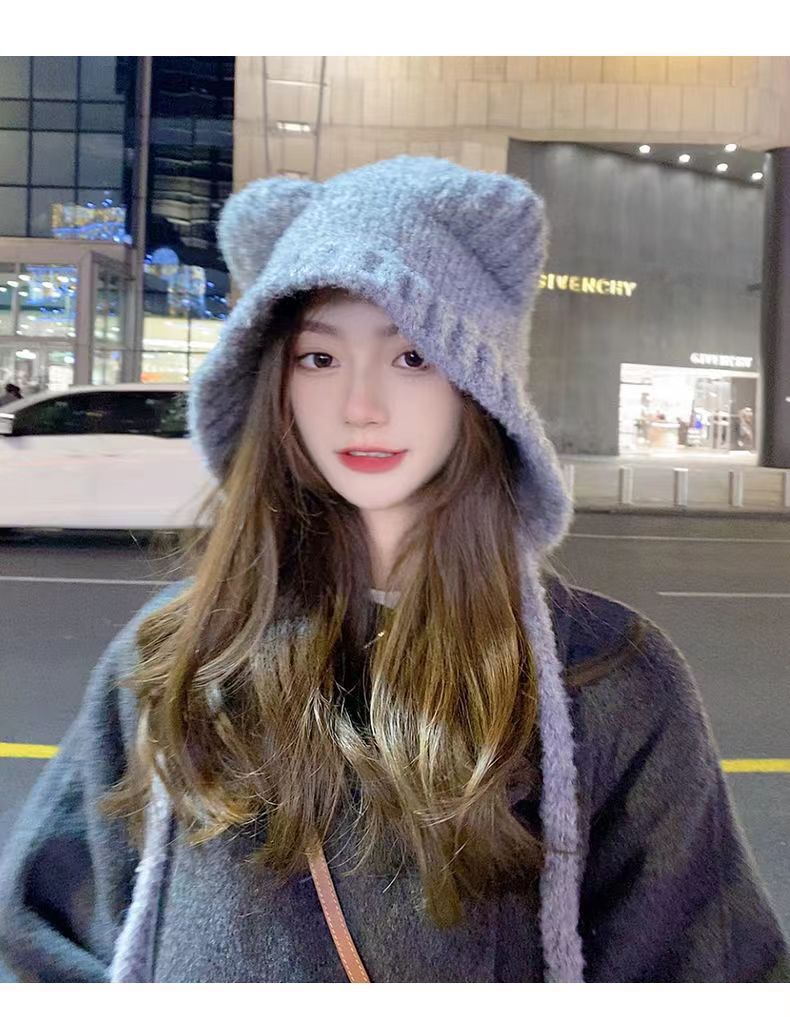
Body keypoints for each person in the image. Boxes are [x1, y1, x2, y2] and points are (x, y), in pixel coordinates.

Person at [0, 156, 787, 984]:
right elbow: (43, 939)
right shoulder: (177, 653)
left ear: (479, 387)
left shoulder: (606, 675)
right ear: (273, 382)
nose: (361, 405)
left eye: (413, 356)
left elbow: (710, 968)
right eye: (319, 358)